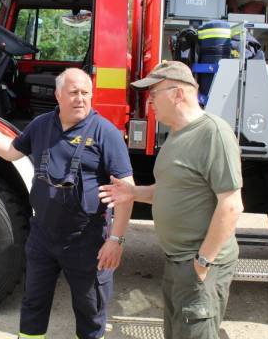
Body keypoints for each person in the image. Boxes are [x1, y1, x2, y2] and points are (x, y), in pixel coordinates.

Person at [0, 67, 135, 339]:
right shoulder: (41, 125)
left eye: (85, 93)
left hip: (87, 239)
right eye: (73, 93)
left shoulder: (106, 133)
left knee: (90, 310)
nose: (80, 98)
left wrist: (115, 240)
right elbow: (10, 151)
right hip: (43, 236)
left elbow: (126, 192)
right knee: (33, 304)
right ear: (58, 95)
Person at [98, 61, 244, 339]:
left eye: (154, 93)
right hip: (177, 262)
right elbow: (169, 190)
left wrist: (202, 263)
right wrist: (134, 193)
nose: (149, 101)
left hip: (199, 264)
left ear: (178, 93)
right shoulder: (176, 137)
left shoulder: (213, 132)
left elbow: (232, 204)